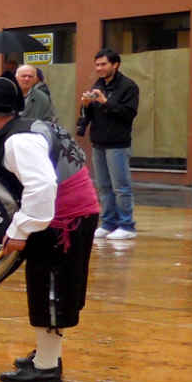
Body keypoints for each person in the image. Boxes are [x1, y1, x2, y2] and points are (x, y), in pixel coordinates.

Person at [0, 78, 102, 382]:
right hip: (71, 214)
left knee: (51, 290)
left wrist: (22, 228)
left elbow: (42, 186)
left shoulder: (19, 141)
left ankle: (45, 367)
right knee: (47, 287)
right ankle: (46, 354)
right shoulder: (33, 126)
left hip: (64, 220)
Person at [79, 48, 138, 240]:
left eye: (103, 64)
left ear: (115, 64)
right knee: (104, 186)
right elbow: (91, 115)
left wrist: (105, 102)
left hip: (118, 144)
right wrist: (86, 105)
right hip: (99, 142)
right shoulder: (99, 84)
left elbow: (128, 114)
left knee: (121, 187)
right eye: (97, 65)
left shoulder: (128, 86)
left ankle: (127, 225)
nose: (99, 68)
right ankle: (108, 223)